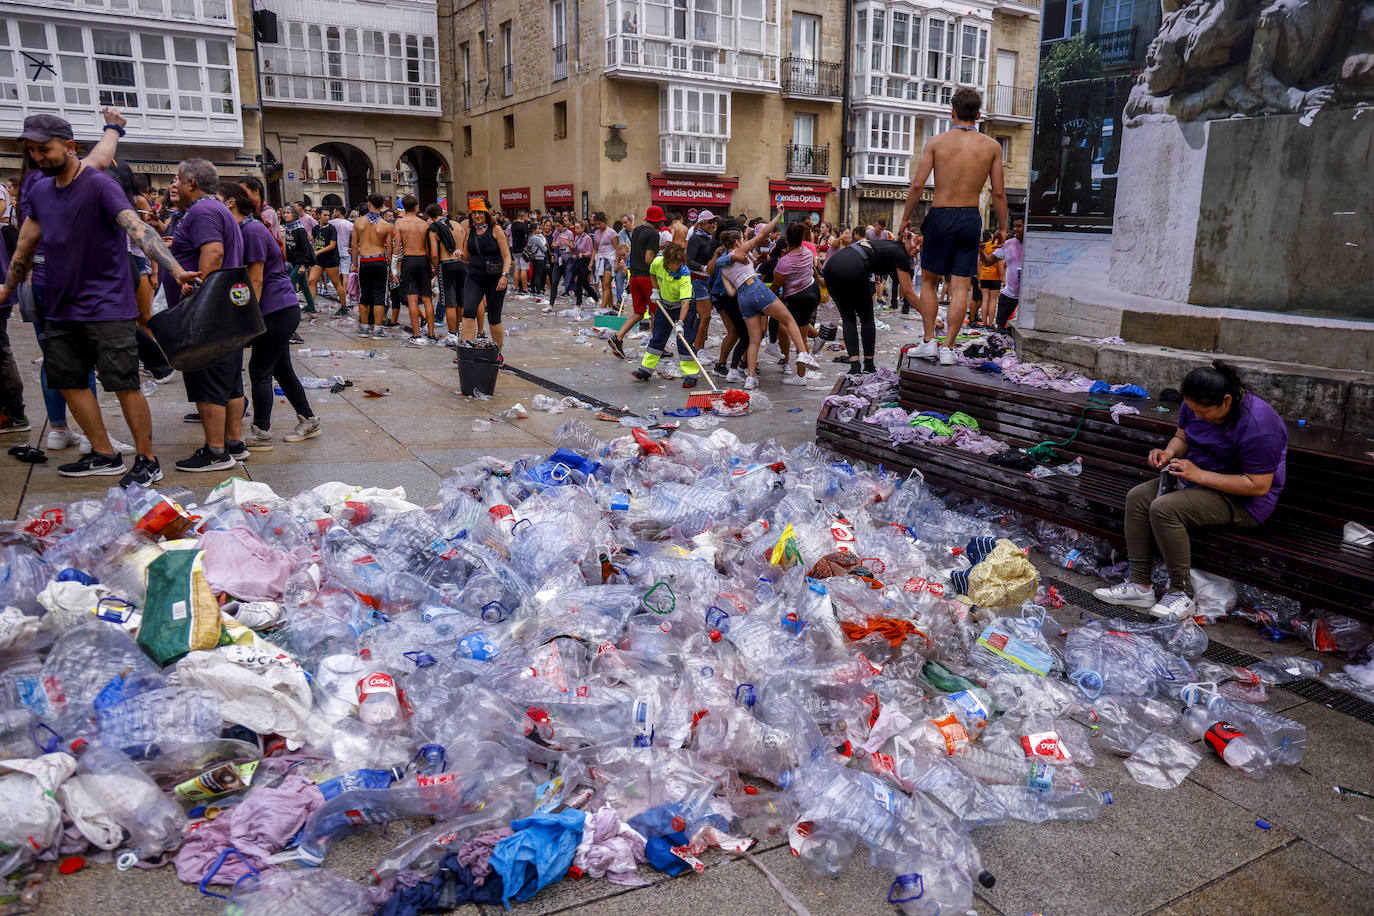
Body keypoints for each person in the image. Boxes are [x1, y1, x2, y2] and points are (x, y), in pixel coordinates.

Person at [0, 113, 199, 487]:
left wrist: (174, 269)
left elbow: (137, 229)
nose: (38, 157)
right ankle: (104, 453)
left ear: (70, 146)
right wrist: (7, 289)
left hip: (106, 304)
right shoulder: (40, 190)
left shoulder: (99, 184)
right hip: (61, 306)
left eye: (44, 149)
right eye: (31, 151)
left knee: (124, 382)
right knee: (69, 380)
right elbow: (26, 242)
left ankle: (147, 459)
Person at [1094, 362, 1288, 621]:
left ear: (1227, 400)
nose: (1197, 416)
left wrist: (1198, 474)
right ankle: (1140, 585)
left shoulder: (1260, 424)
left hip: (1245, 500)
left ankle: (1181, 594)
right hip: (1198, 479)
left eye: (1204, 411)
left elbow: (1259, 485)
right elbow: (1183, 438)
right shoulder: (1195, 404)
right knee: (1138, 497)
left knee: (1165, 509)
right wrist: (1168, 453)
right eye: (1193, 409)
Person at [899, 86, 1007, 366]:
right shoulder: (992, 147)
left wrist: (905, 218)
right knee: (960, 287)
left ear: (953, 112)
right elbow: (998, 193)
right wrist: (1003, 226)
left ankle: (928, 342)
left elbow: (918, 185)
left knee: (931, 282)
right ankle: (948, 348)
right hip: (970, 218)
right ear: (979, 115)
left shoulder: (936, 142)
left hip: (941, 215)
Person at [221, 182, 320, 452]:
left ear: (230, 202)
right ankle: (308, 419)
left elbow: (255, 280)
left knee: (259, 370)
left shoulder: (251, 230)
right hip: (277, 308)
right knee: (281, 368)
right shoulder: (247, 228)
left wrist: (244, 316)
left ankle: (261, 432)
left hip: (275, 309)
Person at [167, 158, 247, 472]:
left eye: (177, 177)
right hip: (228, 307)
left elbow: (213, 253)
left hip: (211, 309)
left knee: (208, 378)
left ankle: (215, 451)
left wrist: (199, 297)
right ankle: (233, 443)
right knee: (229, 381)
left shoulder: (202, 210)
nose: (175, 183)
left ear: (191, 183)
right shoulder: (218, 210)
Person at [717, 211, 819, 390]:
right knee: (788, 319)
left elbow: (731, 292)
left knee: (754, 340)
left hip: (742, 297)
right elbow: (763, 234)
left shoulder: (724, 267)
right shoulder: (740, 251)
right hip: (756, 288)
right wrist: (779, 215)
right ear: (737, 242)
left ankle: (750, 378)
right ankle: (802, 353)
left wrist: (752, 264)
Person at [822, 232, 920, 376]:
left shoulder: (890, 245)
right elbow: (909, 293)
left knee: (848, 318)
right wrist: (930, 316)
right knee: (866, 317)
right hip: (853, 266)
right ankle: (868, 366)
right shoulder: (900, 253)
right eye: (916, 242)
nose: (917, 248)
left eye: (921, 246)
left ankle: (855, 367)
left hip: (832, 266)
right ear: (907, 238)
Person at [634, 242, 701, 388]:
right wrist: (655, 290)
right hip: (664, 304)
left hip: (683, 307)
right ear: (666, 261)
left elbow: (685, 303)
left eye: (679, 263)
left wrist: (680, 323)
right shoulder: (658, 262)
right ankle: (645, 370)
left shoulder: (684, 277)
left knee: (684, 341)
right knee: (658, 336)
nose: (676, 267)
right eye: (673, 263)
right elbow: (652, 274)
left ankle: (690, 375)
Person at [608, 205, 667, 359]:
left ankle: (618, 337)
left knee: (639, 312)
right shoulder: (654, 234)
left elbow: (641, 249)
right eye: (661, 222)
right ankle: (657, 346)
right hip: (647, 278)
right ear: (657, 221)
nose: (662, 224)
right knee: (655, 312)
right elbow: (649, 259)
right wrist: (664, 263)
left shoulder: (638, 230)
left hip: (634, 277)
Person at [455, 197, 511, 349]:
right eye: (474, 213)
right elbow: (467, 257)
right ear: (470, 215)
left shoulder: (496, 230)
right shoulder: (470, 231)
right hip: (475, 278)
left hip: (495, 279)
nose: (477, 216)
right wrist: (460, 255)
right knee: (468, 311)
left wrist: (504, 276)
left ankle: (498, 353)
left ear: (486, 213)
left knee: (494, 318)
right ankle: (466, 350)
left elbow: (507, 256)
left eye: (480, 212)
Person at [772, 221, 822, 385]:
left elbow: (776, 285)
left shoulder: (784, 262)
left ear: (787, 239)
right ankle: (818, 337)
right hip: (812, 292)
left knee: (800, 339)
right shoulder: (807, 252)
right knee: (787, 326)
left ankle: (800, 376)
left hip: (799, 298)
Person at [393, 195, 436, 345]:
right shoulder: (424, 224)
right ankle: (431, 334)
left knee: (412, 299)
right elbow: (428, 246)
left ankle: (416, 334)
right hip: (423, 259)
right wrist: (431, 264)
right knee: (427, 298)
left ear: (404, 207)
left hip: (408, 260)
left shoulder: (399, 223)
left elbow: (397, 247)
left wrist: (394, 267)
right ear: (417, 207)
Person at [351, 194, 394, 339]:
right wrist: (390, 266)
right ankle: (377, 330)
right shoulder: (387, 225)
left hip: (364, 260)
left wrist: (355, 265)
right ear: (382, 206)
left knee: (364, 296)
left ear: (369, 205)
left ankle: (364, 329)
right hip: (380, 260)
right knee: (379, 297)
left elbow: (354, 245)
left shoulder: (358, 222)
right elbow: (389, 249)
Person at [981, 216, 1024, 329]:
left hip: (1027, 297)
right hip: (1008, 295)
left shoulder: (1034, 245)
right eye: (1014, 226)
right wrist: (980, 251)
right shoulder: (1009, 244)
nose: (1015, 229)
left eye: (1019, 226)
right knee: (1000, 330)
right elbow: (987, 262)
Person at [685, 211, 718, 352]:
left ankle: (700, 347)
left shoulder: (709, 238)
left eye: (714, 222)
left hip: (708, 281)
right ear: (701, 223)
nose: (712, 225)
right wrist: (704, 268)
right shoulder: (695, 238)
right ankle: (697, 349)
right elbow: (689, 261)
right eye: (709, 222)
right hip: (698, 280)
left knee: (704, 316)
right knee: (704, 316)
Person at [309, 209, 347, 315]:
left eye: (328, 215)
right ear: (318, 216)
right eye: (324, 215)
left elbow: (332, 245)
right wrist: (313, 250)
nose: (327, 217)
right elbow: (315, 242)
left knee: (336, 283)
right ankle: (311, 306)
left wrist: (318, 252)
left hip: (331, 259)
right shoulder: (315, 228)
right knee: (311, 281)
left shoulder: (331, 229)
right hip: (319, 260)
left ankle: (344, 306)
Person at [282, 205, 316, 313]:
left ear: (294, 215)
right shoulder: (286, 228)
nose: (286, 215)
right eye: (285, 213)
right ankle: (313, 311)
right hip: (291, 262)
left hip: (300, 263)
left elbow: (306, 249)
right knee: (305, 288)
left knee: (289, 285)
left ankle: (290, 311)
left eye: (289, 213)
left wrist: (303, 265)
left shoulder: (300, 229)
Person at [592, 212, 618, 311]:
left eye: (600, 224)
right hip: (600, 260)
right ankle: (610, 306)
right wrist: (591, 262)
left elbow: (616, 248)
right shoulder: (596, 233)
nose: (598, 226)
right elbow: (595, 248)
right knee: (605, 285)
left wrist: (616, 263)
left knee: (606, 285)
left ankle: (603, 308)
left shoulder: (612, 233)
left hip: (610, 260)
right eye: (596, 224)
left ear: (604, 222)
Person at [329, 206, 354, 304]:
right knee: (345, 274)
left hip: (333, 252)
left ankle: (340, 294)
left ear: (336, 211)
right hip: (345, 251)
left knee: (335, 275)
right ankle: (344, 294)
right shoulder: (349, 224)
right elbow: (354, 238)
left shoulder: (331, 223)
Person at [509, 211, 530, 297]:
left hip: (514, 249)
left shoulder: (513, 225)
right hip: (522, 250)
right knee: (524, 269)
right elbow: (527, 237)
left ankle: (516, 287)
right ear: (523, 217)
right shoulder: (523, 226)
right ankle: (525, 288)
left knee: (517, 269)